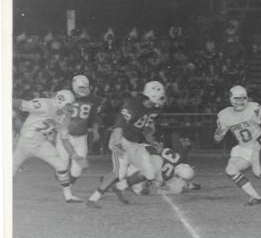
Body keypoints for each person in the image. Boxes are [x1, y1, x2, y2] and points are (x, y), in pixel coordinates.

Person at [86, 80, 167, 208]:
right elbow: (118, 126)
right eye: (161, 96)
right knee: (119, 172)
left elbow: (143, 127)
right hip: (121, 139)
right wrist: (118, 145)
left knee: (150, 172)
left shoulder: (155, 109)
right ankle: (92, 200)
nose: (163, 99)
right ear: (153, 95)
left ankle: (119, 187)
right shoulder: (134, 104)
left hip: (134, 143)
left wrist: (153, 142)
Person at [12, 90, 86, 203]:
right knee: (11, 168)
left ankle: (68, 196)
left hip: (42, 143)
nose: (71, 108)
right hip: (25, 142)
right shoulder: (45, 104)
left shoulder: (64, 116)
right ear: (62, 102)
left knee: (61, 165)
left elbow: (65, 139)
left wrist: (75, 156)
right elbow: (20, 102)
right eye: (69, 104)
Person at [56, 75, 102, 190]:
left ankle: (68, 186)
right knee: (62, 165)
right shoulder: (66, 96)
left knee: (77, 171)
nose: (83, 90)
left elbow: (95, 117)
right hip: (65, 136)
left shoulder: (93, 99)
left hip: (81, 137)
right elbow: (54, 111)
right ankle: (65, 187)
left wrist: (96, 131)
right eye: (80, 87)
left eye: (85, 87)